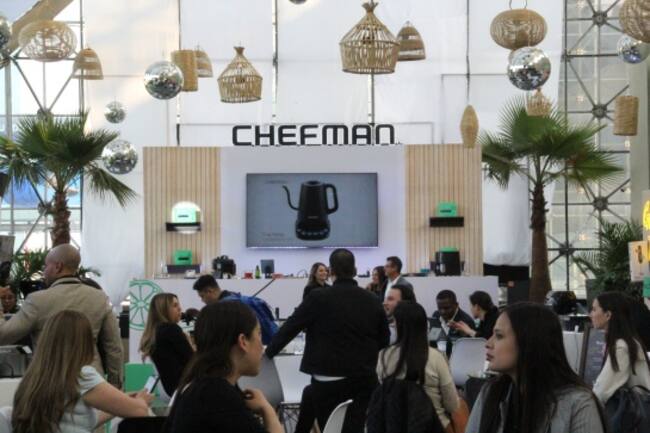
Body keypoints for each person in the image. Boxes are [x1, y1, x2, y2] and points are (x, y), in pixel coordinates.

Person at [266, 248, 389, 433]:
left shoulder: (317, 297)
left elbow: (291, 327)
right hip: (364, 379)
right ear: (354, 270)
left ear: (331, 271)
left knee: (331, 427)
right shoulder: (372, 300)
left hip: (327, 380)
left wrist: (267, 353)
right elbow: (384, 339)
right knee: (355, 427)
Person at [466, 303, 607, 433]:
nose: (488, 343)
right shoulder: (491, 393)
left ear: (528, 341)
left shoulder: (578, 403)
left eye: (499, 336)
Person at [0, 244, 123, 387]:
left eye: (46, 266)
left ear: (58, 267)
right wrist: (114, 386)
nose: (44, 272)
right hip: (92, 383)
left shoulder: (37, 300)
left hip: (50, 384)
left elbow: (3, 335)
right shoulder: (99, 298)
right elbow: (114, 348)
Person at [12, 310, 152, 433]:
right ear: (85, 341)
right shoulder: (81, 375)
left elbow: (79, 421)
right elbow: (139, 411)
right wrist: (141, 400)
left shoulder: (34, 377)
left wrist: (119, 403)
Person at [164, 302, 284, 433]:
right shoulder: (217, 396)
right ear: (243, 341)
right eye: (259, 334)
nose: (262, 345)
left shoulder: (199, 386)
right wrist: (267, 410)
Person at [377, 302, 460, 432]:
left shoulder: (384, 356)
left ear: (397, 325)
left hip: (394, 425)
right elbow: (452, 405)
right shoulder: (436, 357)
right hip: (434, 425)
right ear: (425, 326)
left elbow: (384, 393)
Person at [590, 291, 650, 403]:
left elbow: (601, 391)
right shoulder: (627, 341)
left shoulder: (621, 347)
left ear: (608, 315)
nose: (591, 315)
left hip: (634, 411)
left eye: (594, 309)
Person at [192, 273, 277, 344]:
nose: (202, 300)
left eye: (202, 296)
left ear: (209, 291)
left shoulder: (225, 309)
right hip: (268, 344)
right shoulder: (237, 298)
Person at [139, 293, 194, 396]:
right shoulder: (171, 330)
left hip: (169, 388)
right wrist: (190, 343)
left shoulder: (155, 332)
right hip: (184, 387)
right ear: (163, 310)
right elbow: (193, 361)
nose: (180, 309)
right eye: (175, 305)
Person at [430, 290, 475, 358]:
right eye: (439, 308)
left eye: (446, 308)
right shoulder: (436, 315)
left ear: (456, 305)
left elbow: (469, 350)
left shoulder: (466, 321)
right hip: (438, 357)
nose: (442, 312)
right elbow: (432, 339)